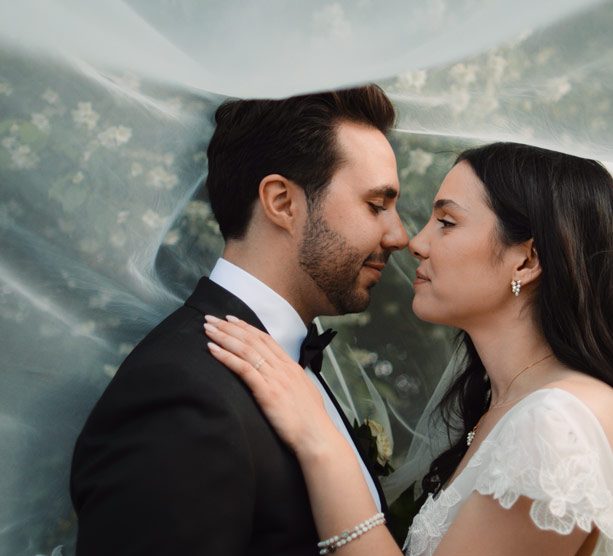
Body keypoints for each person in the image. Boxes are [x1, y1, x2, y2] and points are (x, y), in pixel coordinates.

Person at [203, 142, 613, 556]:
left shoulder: (556, 425)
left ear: (527, 259)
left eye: (446, 222)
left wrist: (319, 441)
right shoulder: (514, 402)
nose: (416, 242)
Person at [69, 85, 409, 555]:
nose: (400, 235)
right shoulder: (181, 393)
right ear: (282, 202)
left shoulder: (287, 362)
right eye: (376, 205)